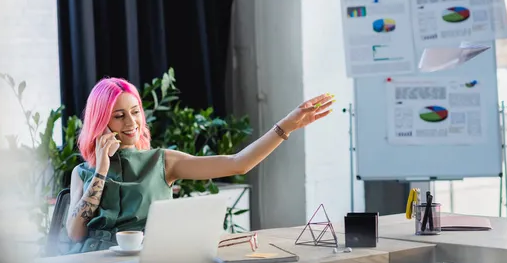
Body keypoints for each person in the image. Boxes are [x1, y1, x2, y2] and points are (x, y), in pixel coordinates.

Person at [66, 77, 335, 253]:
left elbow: (237, 164)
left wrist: (287, 125)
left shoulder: (163, 161)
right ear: (102, 122)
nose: (131, 123)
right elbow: (76, 234)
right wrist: (101, 168)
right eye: (119, 116)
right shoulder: (82, 172)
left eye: (135, 112)